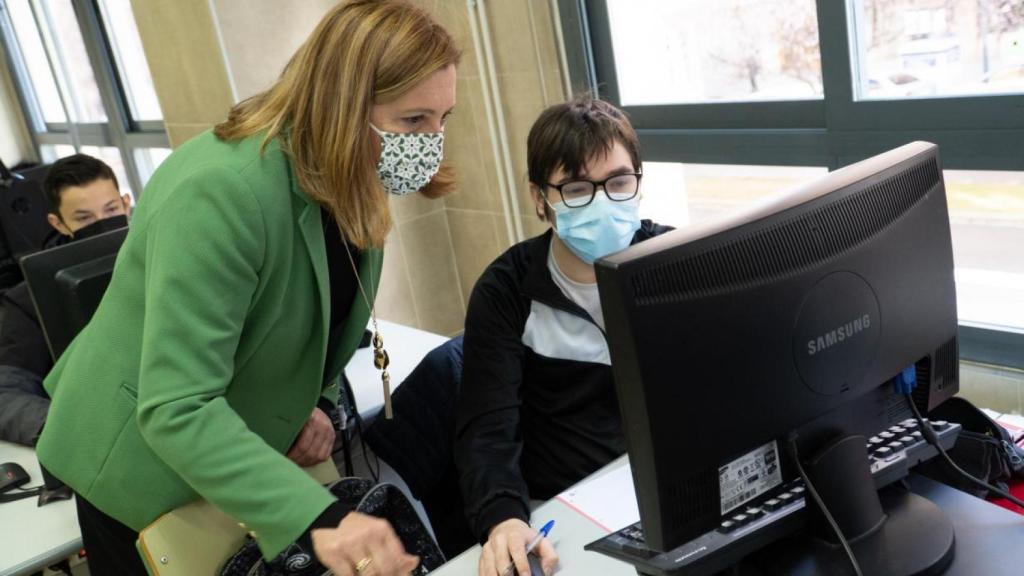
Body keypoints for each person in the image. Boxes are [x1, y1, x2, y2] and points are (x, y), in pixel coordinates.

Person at [35, 2, 459, 575]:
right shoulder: (223, 191)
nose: (431, 144)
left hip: (231, 452)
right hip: (135, 469)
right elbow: (177, 407)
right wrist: (320, 519)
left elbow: (320, 317)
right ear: (342, 105)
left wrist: (319, 403)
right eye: (414, 122)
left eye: (443, 119)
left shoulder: (354, 170)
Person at [455, 95, 672, 576]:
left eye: (618, 182)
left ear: (638, 182)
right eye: (576, 189)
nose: (602, 201)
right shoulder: (506, 289)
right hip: (566, 511)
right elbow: (488, 432)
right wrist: (504, 519)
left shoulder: (674, 261)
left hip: (664, 495)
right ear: (539, 198)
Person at [0, 154, 130, 446]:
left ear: (126, 203)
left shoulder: (164, 261)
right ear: (57, 223)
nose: (103, 224)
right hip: (100, 439)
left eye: (111, 210)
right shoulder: (29, 298)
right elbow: (6, 393)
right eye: (84, 218)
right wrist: (72, 431)